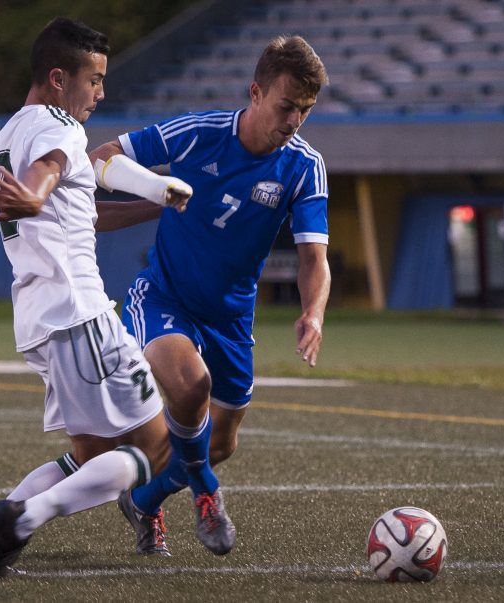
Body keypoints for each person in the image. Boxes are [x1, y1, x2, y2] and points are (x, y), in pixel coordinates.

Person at [0, 16, 192, 579]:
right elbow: (48, 175)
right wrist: (32, 195)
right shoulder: (59, 128)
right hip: (81, 315)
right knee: (157, 449)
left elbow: (82, 212)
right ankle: (22, 518)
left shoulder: (11, 130)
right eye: (94, 79)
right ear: (58, 78)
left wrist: (159, 205)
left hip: (41, 319)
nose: (101, 93)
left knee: (91, 455)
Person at [88, 35, 331, 557]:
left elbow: (314, 258)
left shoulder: (304, 167)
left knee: (221, 442)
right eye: (287, 106)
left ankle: (146, 501)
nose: (293, 121)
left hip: (232, 317)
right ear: (256, 92)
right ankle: (208, 494)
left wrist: (313, 313)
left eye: (305, 111)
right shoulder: (198, 133)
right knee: (191, 385)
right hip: (164, 297)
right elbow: (102, 157)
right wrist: (154, 189)